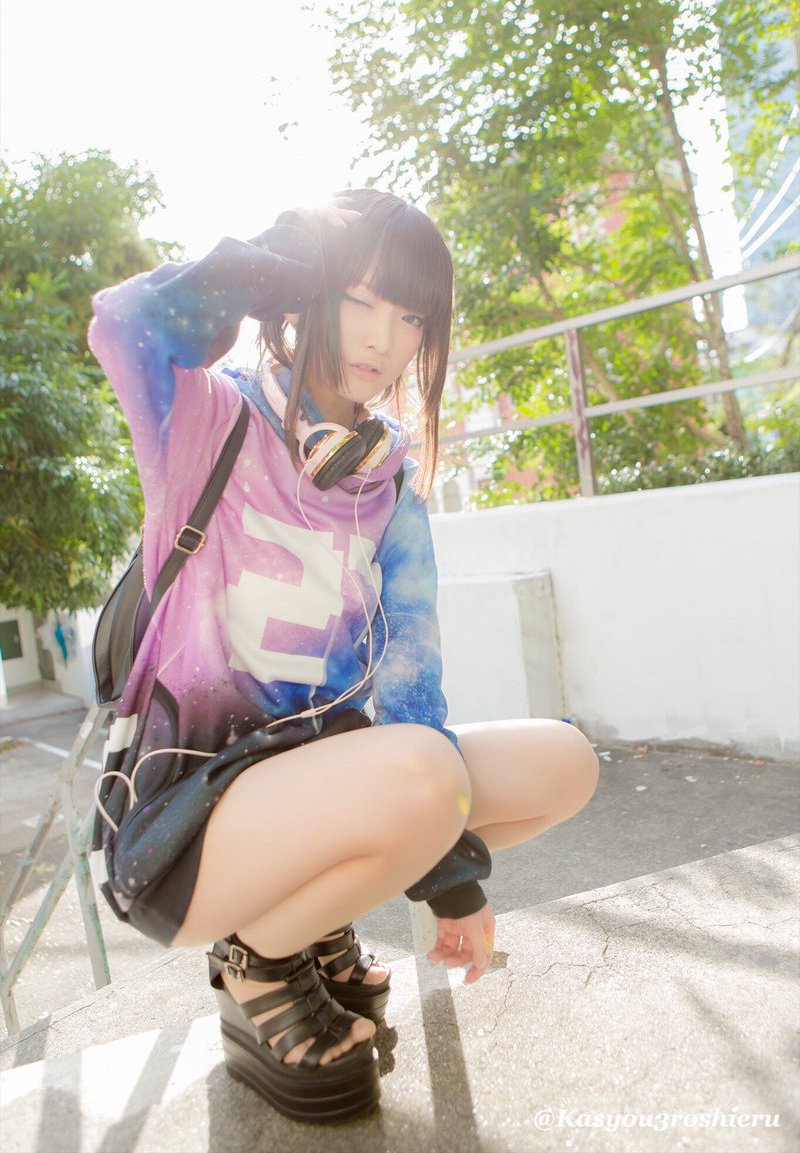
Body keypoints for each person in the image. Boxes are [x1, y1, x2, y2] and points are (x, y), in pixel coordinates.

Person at [87, 189, 599, 1123]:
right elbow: (123, 324)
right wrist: (264, 265)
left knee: (562, 765)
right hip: (187, 833)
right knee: (422, 776)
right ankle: (259, 958)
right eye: (359, 299)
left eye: (411, 318)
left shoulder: (386, 480)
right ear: (311, 293)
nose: (383, 339)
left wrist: (452, 881)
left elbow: (411, 680)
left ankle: (315, 921)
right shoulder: (205, 421)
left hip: (330, 788)